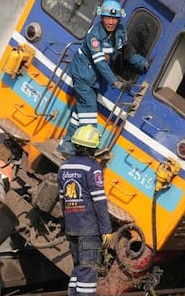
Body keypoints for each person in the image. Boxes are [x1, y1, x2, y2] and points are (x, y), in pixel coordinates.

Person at [57, 0, 148, 155]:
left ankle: (67, 144)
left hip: (94, 78)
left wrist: (141, 63)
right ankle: (87, 150)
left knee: (80, 112)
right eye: (107, 17)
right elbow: (100, 62)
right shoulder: (94, 35)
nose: (111, 21)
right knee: (89, 111)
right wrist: (116, 82)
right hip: (83, 74)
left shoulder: (120, 32)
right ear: (101, 18)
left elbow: (125, 50)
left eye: (114, 18)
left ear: (119, 19)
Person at [57, 125, 114, 296]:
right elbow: (99, 202)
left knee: (78, 270)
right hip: (89, 229)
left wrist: (68, 223)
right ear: (93, 148)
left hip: (72, 227)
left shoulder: (64, 167)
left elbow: (62, 200)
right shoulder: (92, 168)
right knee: (89, 272)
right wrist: (106, 230)